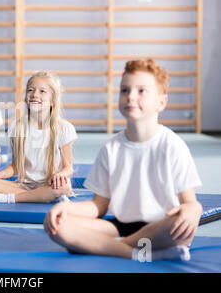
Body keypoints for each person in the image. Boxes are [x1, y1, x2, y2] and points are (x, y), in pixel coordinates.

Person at [44, 59, 203, 262]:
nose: (131, 97)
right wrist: (66, 208)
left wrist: (193, 209)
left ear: (161, 102)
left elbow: (189, 203)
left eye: (141, 91)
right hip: (118, 227)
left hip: (161, 227)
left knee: (179, 224)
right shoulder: (111, 149)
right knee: (59, 228)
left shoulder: (172, 145)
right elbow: (97, 207)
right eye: (125, 90)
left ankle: (109, 247)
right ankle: (137, 253)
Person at [0, 71, 77, 203]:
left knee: (63, 187)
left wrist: (60, 175)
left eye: (42, 91)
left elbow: (68, 167)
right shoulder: (17, 127)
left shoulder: (64, 128)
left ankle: (9, 199)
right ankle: (41, 196)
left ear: (52, 101)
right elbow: (16, 166)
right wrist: (1, 174)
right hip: (24, 186)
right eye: (30, 90)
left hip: (51, 184)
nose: (35, 95)